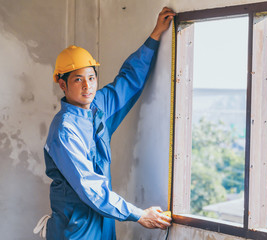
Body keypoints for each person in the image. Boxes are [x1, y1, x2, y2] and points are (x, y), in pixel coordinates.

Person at [34, 7, 176, 240]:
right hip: (75, 229)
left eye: (91, 78)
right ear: (62, 84)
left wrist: (156, 34)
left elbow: (129, 80)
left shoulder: (98, 107)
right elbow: (89, 186)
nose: (87, 86)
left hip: (104, 221)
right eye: (78, 79)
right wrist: (139, 215)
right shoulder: (65, 131)